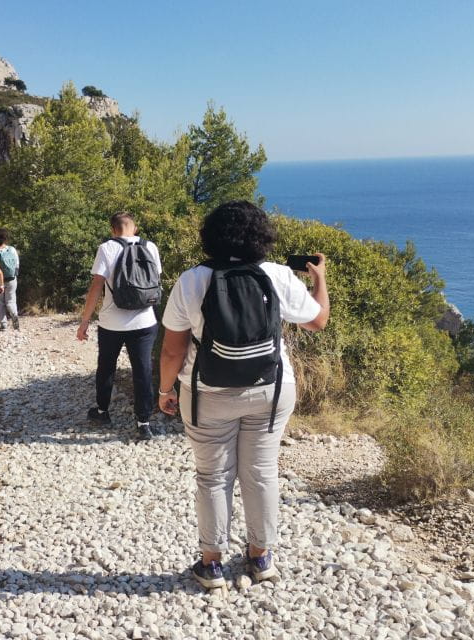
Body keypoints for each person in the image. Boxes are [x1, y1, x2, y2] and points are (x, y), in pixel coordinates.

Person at [158, 200, 330, 589]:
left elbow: (171, 349)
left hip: (207, 393)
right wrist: (319, 278)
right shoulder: (277, 275)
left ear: (211, 235)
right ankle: (260, 557)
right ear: (261, 236)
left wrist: (165, 390)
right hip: (270, 391)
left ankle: (212, 563)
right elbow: (318, 321)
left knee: (214, 476)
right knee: (262, 472)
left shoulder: (192, 280)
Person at [77, 211, 162, 440]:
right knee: (142, 371)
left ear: (113, 230)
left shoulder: (107, 248)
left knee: (106, 367)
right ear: (134, 228)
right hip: (145, 322)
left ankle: (102, 412)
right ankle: (143, 423)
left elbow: (97, 286)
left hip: (112, 323)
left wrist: (85, 321)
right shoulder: (150, 247)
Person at [0, 228, 20, 331]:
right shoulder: (12, 249)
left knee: (0, 303)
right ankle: (15, 318)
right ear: (5, 238)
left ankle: (3, 325)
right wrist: (14, 275)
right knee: (11, 301)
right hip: (12, 279)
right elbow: (17, 265)